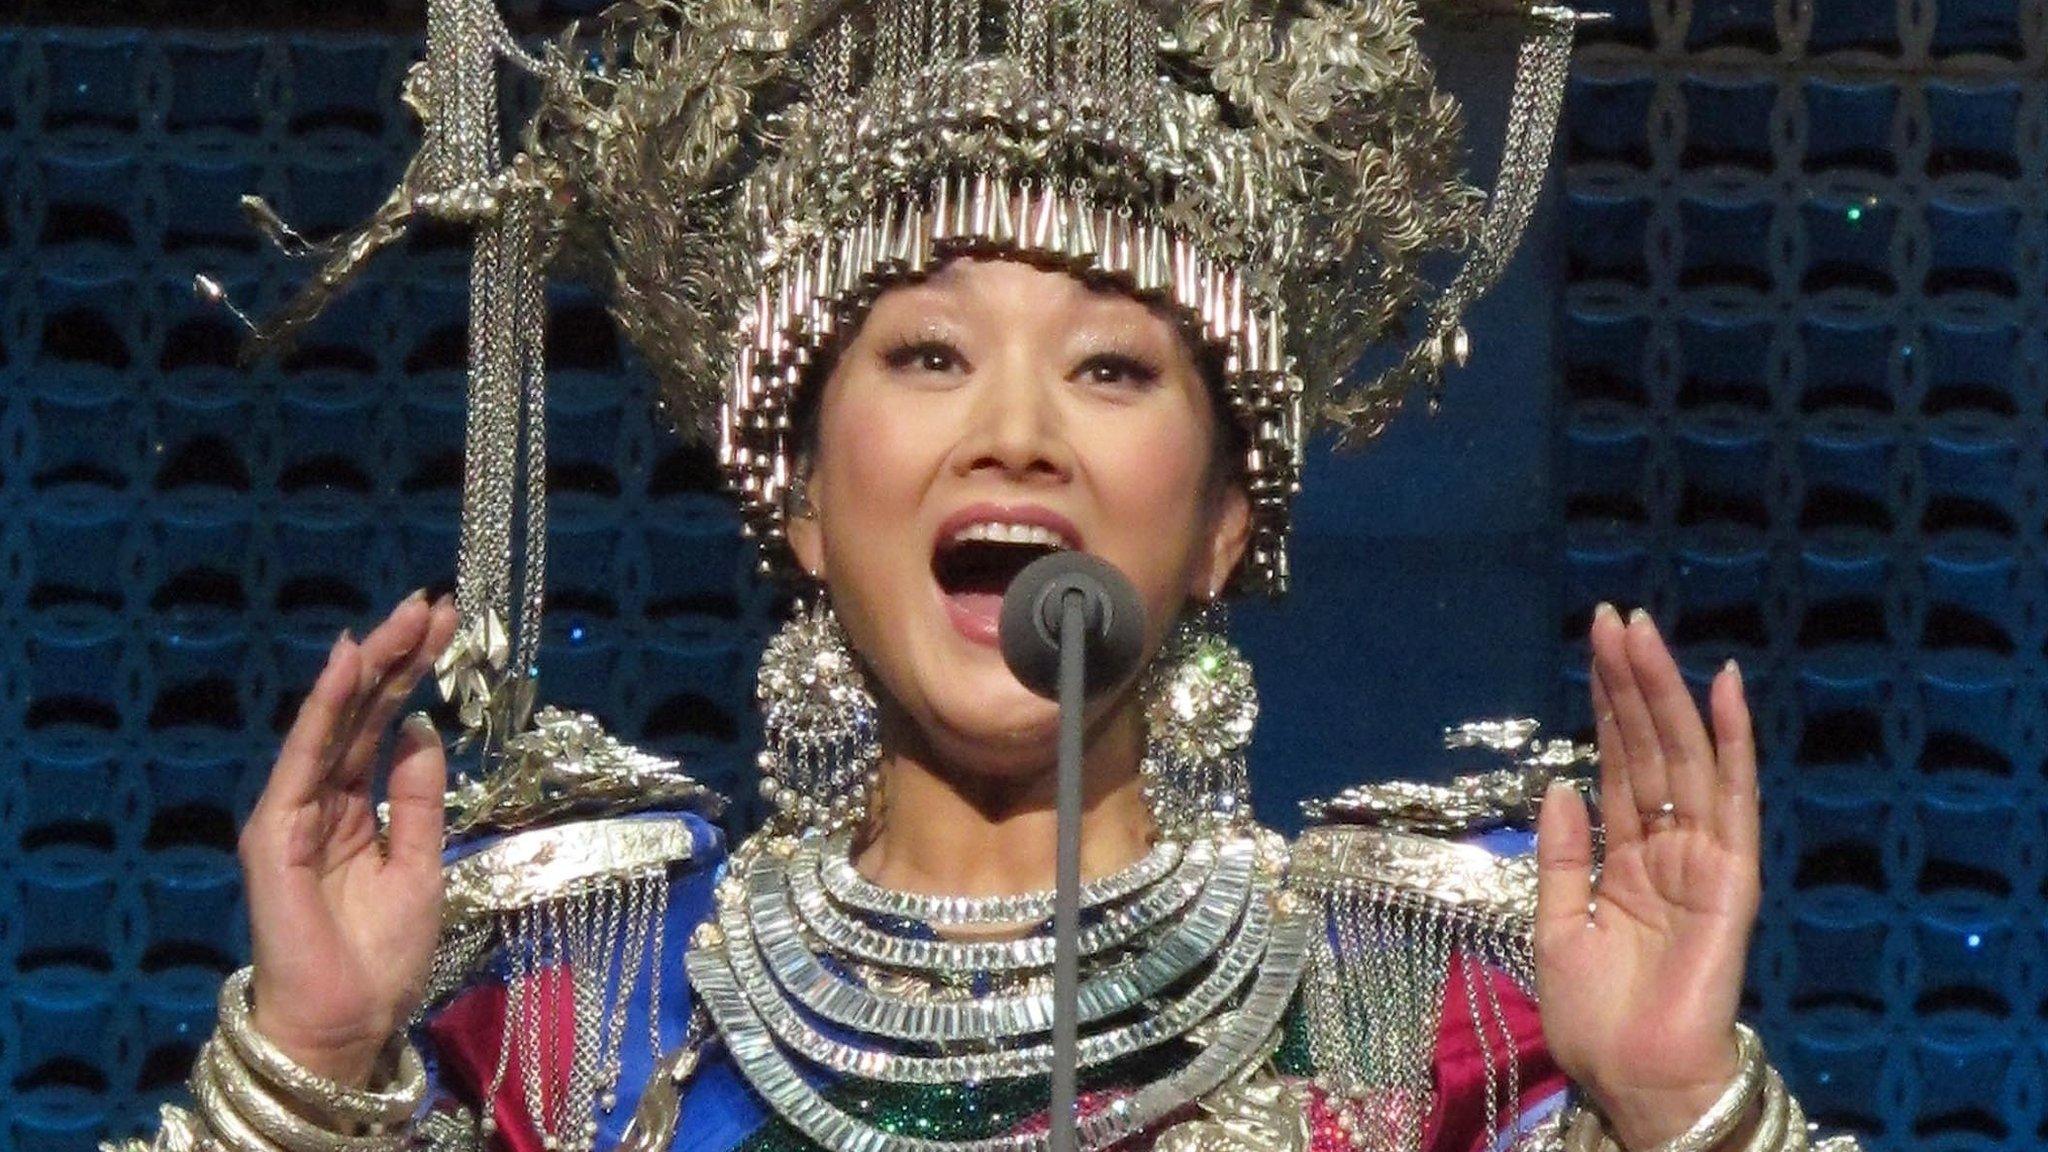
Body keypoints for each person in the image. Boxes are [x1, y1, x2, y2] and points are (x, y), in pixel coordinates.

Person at [112, 2, 1862, 1152]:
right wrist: (308, 1066)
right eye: (929, 355)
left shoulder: (1441, 1017)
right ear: (797, 498)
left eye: (1113, 369)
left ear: (1230, 521)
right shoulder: (570, 1018)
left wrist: (1679, 1106)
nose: (1017, 437)